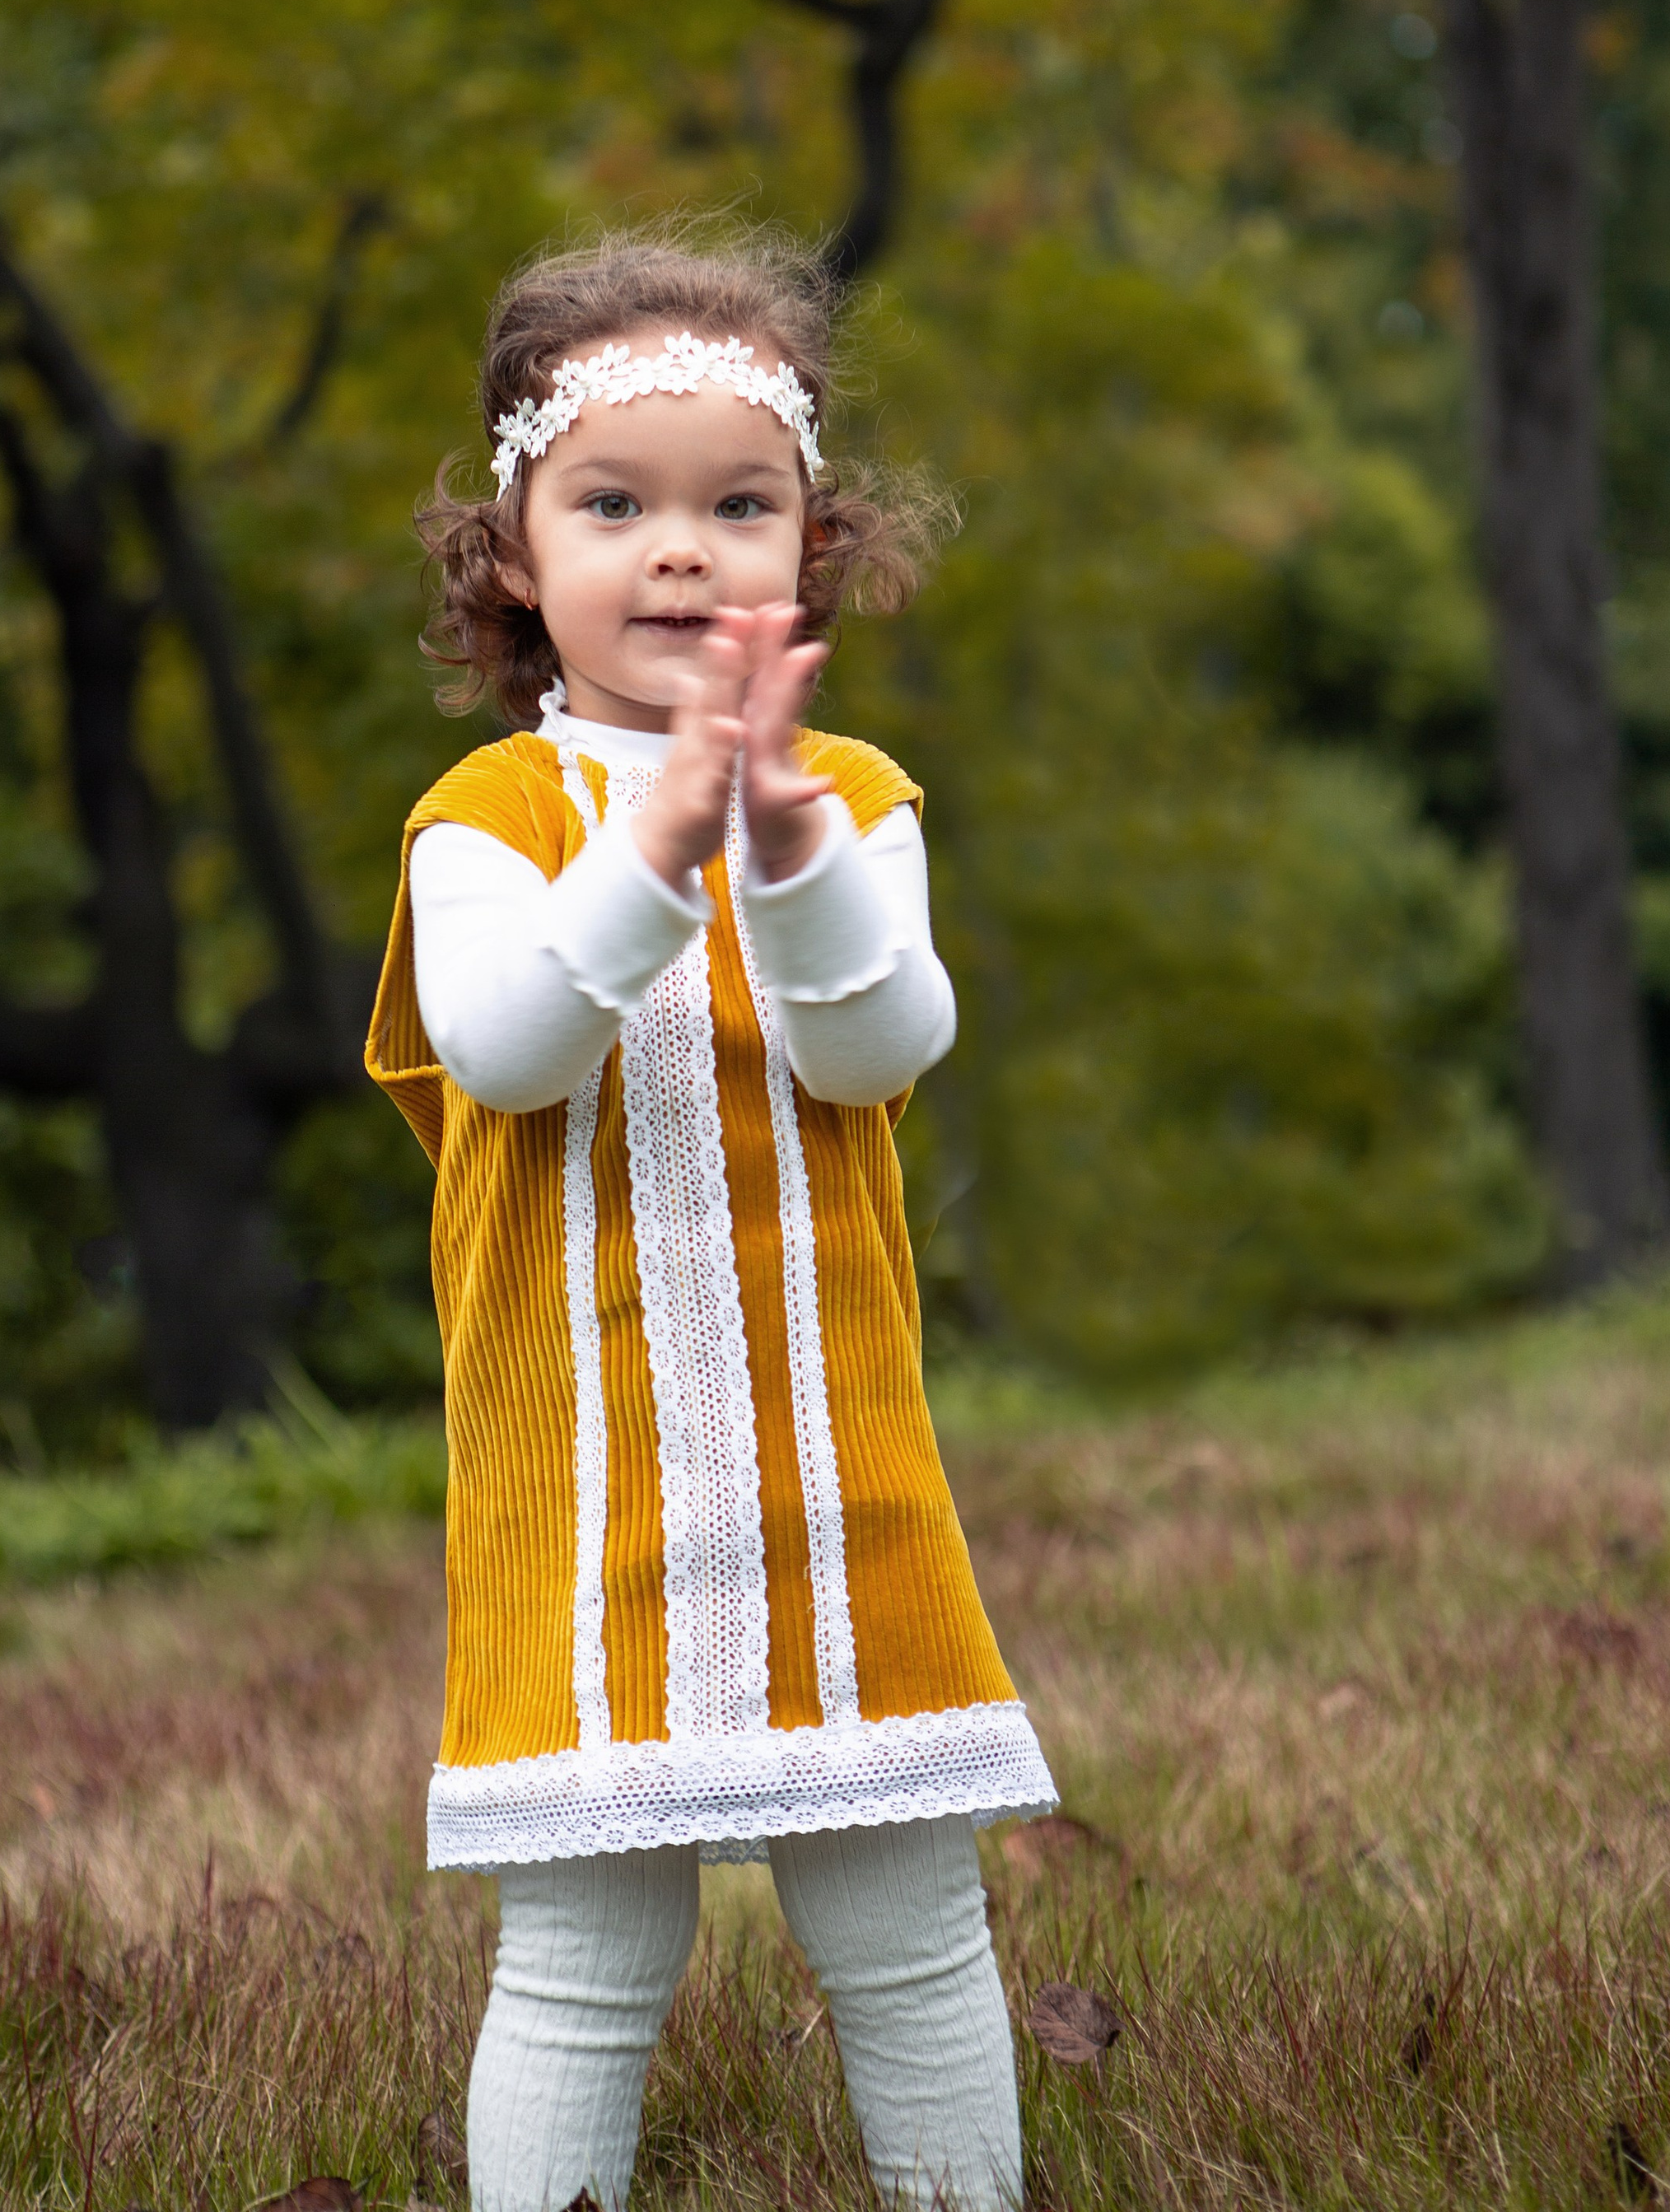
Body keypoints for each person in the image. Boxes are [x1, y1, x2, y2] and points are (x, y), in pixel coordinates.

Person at [366, 227, 1055, 2212]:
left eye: (736, 505)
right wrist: (660, 844)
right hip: (582, 1486)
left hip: (838, 1479)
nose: (680, 551)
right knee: (586, 1954)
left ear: (808, 549)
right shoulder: (483, 826)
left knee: (907, 1925)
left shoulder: (850, 794)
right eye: (614, 503)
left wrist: (779, 844)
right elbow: (500, 1050)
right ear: (511, 552)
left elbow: (876, 1048)